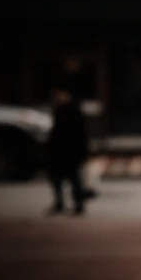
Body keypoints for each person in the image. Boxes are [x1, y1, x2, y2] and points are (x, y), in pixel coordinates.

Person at [46, 83, 90, 216]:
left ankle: (77, 204)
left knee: (73, 178)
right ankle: (61, 202)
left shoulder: (72, 110)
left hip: (70, 151)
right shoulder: (60, 110)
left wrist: (82, 152)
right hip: (60, 151)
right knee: (58, 179)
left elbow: (80, 134)